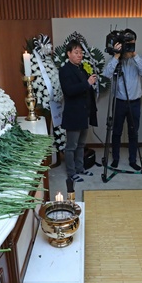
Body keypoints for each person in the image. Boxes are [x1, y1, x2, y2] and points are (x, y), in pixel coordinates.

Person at [102, 28, 142, 171]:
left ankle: (133, 160)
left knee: (133, 132)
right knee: (116, 131)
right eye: (127, 43)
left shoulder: (138, 59)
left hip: (135, 102)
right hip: (120, 102)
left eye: (132, 42)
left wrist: (134, 54)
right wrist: (116, 56)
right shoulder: (117, 60)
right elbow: (106, 74)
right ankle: (115, 158)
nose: (129, 45)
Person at [59, 39, 98, 183]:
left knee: (81, 144)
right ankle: (71, 172)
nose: (79, 55)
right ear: (68, 54)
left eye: (81, 52)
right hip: (73, 114)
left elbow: (85, 89)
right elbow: (69, 91)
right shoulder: (65, 70)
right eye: (76, 52)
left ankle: (80, 168)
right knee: (71, 146)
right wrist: (87, 83)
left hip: (84, 113)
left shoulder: (81, 68)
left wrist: (90, 84)